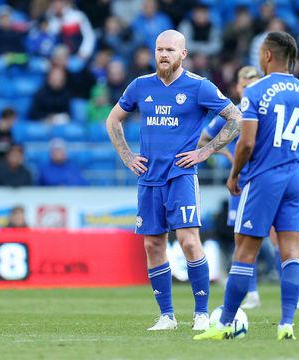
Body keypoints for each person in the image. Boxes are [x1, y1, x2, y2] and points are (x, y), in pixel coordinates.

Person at [106, 30, 242, 331]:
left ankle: (202, 314)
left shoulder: (199, 87)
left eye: (169, 49)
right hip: (149, 179)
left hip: (181, 176)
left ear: (183, 54)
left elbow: (236, 118)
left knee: (188, 242)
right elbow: (113, 119)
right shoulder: (140, 86)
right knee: (153, 245)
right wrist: (128, 157)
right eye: (158, 49)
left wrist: (205, 151)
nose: (163, 55)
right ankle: (167, 316)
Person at [195, 31, 299, 341]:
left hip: (264, 177)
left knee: (245, 251)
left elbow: (247, 141)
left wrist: (235, 174)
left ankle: (224, 322)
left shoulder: (255, 91)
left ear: (266, 56)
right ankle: (286, 324)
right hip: (294, 177)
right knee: (291, 251)